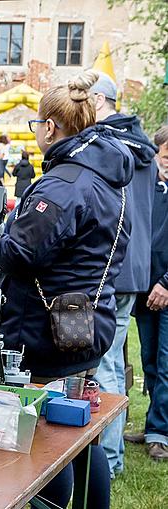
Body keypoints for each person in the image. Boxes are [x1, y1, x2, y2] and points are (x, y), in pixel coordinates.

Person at [0, 72, 133, 509]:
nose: (36, 131)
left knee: (49, 433)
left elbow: (17, 252)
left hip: (48, 329)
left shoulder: (66, 181)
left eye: (38, 123)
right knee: (81, 432)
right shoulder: (108, 176)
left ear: (53, 127)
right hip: (85, 323)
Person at [85, 72, 158, 476]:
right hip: (134, 263)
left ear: (98, 100)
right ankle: (110, 451)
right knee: (111, 359)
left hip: (115, 262)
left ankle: (109, 457)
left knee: (108, 362)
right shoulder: (139, 144)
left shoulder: (109, 144)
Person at [125, 125, 168, 461]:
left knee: (167, 363)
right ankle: (155, 423)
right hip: (145, 286)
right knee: (150, 360)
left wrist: (166, 283)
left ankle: (160, 432)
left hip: (165, 287)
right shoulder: (150, 187)